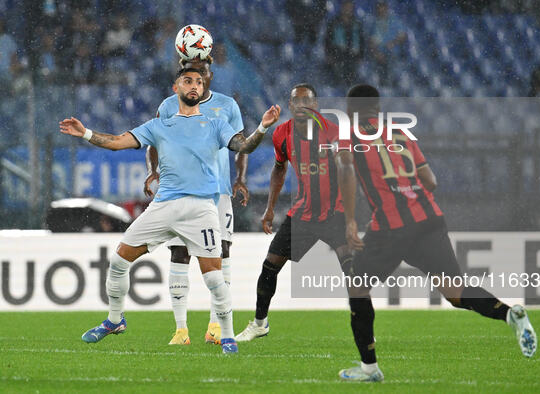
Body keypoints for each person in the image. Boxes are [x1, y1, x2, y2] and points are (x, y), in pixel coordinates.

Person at [59, 67, 281, 354]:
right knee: (118, 262)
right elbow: (116, 142)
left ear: (202, 90)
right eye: (187, 81)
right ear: (176, 87)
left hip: (202, 209)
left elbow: (244, 146)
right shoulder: (159, 126)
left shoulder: (215, 125)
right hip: (163, 206)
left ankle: (226, 336)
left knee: (214, 278)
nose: (194, 86)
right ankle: (115, 320)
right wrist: (86, 133)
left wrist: (262, 127)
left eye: (199, 82)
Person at [335, 85, 537, 382]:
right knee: (455, 292)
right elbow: (431, 180)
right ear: (377, 108)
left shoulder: (349, 134)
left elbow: (346, 169)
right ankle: (509, 314)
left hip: (391, 226)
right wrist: (408, 193)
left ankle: (369, 369)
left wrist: (351, 220)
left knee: (357, 286)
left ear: (351, 110)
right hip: (429, 220)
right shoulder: (403, 133)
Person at [143, 57, 249, 346]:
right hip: (180, 192)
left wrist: (240, 178)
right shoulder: (168, 106)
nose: (196, 77)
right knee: (179, 254)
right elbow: (153, 141)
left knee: (221, 252)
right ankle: (181, 329)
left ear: (209, 77)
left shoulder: (227, 106)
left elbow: (241, 145)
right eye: (189, 73)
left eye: (201, 73)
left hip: (218, 191)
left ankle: (216, 325)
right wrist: (153, 172)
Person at [235, 83, 352, 341]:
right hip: (304, 214)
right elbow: (279, 169)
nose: (301, 107)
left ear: (316, 106)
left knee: (352, 271)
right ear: (290, 106)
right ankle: (259, 323)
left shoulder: (333, 133)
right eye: (296, 102)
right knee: (270, 266)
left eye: (307, 102)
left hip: (336, 213)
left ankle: (362, 326)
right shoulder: (282, 134)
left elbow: (349, 174)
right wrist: (269, 210)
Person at [324, 0, 365, 86]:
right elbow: (327, 40)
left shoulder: (357, 23)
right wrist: (329, 54)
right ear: (341, 7)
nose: (347, 9)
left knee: (353, 78)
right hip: (337, 55)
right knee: (337, 77)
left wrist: (361, 56)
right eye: (345, 6)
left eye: (350, 7)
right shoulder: (333, 22)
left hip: (353, 56)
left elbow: (362, 41)